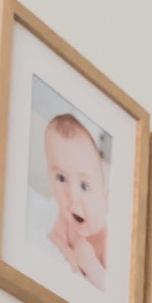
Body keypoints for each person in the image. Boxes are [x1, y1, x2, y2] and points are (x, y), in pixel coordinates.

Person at [42, 114, 108, 291]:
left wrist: (91, 265)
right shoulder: (65, 220)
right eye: (61, 178)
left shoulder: (106, 241)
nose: (72, 195)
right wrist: (72, 257)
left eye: (85, 186)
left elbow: (115, 293)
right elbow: (54, 238)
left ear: (104, 198)